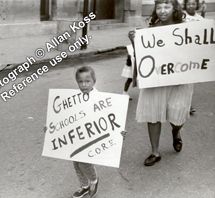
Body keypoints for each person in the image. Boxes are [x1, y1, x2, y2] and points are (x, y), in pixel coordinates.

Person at [44, 66, 127, 197]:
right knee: (76, 163)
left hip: (91, 137)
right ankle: (84, 186)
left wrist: (119, 131)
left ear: (94, 81)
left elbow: (110, 117)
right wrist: (51, 129)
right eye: (80, 82)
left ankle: (94, 180)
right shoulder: (73, 99)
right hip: (78, 136)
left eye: (87, 81)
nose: (83, 85)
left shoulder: (99, 98)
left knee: (85, 161)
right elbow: (65, 117)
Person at [128, 0, 193, 166]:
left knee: (178, 116)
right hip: (156, 79)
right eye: (159, 7)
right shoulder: (150, 28)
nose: (163, 11)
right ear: (155, 9)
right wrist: (135, 41)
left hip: (179, 79)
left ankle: (176, 131)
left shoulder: (185, 27)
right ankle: (155, 152)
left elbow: (193, 53)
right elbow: (142, 55)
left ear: (174, 8)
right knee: (153, 114)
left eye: (167, 7)